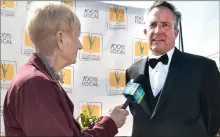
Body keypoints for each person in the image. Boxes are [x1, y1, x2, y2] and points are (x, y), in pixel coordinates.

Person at [3, 2, 129, 136]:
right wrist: (108, 125)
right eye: (76, 36)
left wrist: (107, 123)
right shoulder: (35, 84)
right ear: (61, 39)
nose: (80, 45)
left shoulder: (36, 81)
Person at [126, 1, 220, 137]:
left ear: (176, 33)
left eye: (165, 25)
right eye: (153, 25)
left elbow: (213, 121)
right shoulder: (132, 72)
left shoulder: (204, 68)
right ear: (146, 32)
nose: (158, 31)